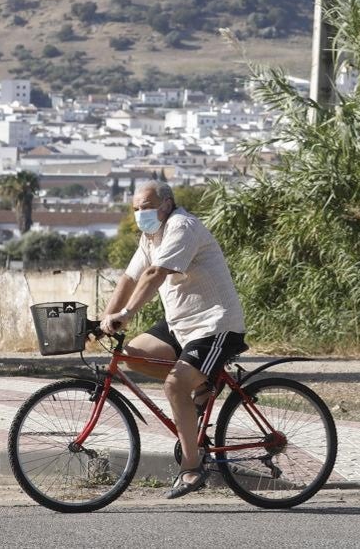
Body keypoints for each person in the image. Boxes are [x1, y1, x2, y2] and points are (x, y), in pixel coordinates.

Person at [100, 180, 247, 499]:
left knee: (173, 386)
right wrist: (104, 320)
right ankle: (203, 385)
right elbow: (129, 277)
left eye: (147, 207)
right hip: (180, 324)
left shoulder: (182, 226)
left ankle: (192, 468)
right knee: (133, 353)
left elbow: (155, 275)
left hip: (215, 325)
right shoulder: (150, 236)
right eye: (136, 209)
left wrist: (125, 314)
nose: (141, 214)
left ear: (166, 204)